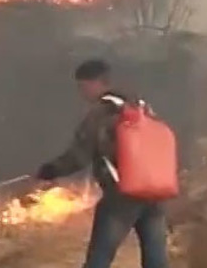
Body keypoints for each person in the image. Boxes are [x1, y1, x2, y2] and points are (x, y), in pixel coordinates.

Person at [35, 59, 170, 268]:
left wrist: (49, 170)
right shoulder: (140, 105)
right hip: (155, 192)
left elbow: (79, 154)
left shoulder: (101, 112)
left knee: (99, 258)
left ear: (95, 83)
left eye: (82, 86)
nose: (81, 93)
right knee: (156, 260)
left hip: (122, 196)